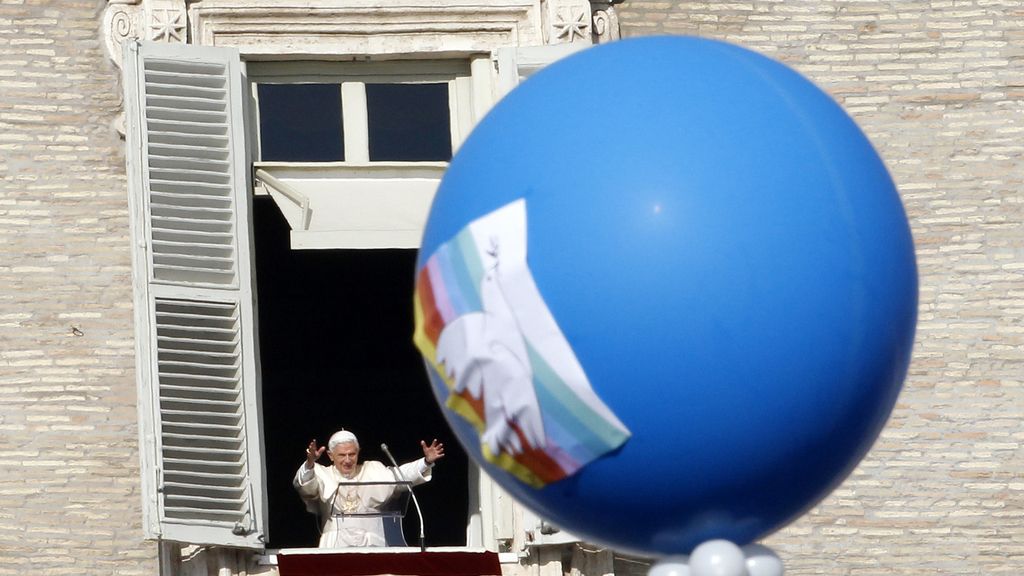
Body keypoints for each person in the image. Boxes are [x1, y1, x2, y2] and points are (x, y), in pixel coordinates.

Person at [294, 429, 445, 548]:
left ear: (358, 452)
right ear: (330, 455)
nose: (347, 460)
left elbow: (400, 476)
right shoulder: (321, 474)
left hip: (373, 544)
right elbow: (303, 486)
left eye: (352, 454)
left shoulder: (372, 470)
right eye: (342, 455)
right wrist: (309, 465)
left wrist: (425, 462)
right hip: (335, 546)